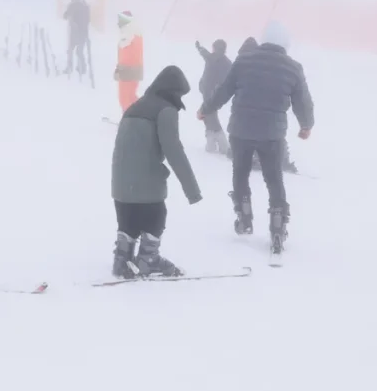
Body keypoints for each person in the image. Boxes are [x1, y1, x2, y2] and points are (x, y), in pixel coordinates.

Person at [197, 21, 314, 254]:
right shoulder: (293, 68)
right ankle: (278, 228)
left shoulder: (244, 61)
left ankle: (244, 217)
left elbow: (223, 90)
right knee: (274, 180)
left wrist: (206, 109)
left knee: (240, 173)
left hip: (241, 130)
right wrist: (306, 125)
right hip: (272, 134)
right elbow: (303, 101)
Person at [111, 65, 202, 279]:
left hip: (120, 183)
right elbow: (174, 150)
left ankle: (122, 258)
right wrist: (192, 190)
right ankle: (148, 259)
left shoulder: (134, 107)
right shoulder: (165, 110)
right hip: (146, 182)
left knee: (129, 220)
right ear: (173, 90)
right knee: (156, 216)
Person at [195, 39, 232, 155]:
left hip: (211, 94)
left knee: (209, 116)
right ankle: (211, 144)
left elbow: (204, 53)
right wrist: (199, 47)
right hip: (215, 94)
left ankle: (224, 147)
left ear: (215, 48)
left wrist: (199, 47)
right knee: (207, 116)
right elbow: (204, 53)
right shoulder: (226, 62)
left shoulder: (212, 58)